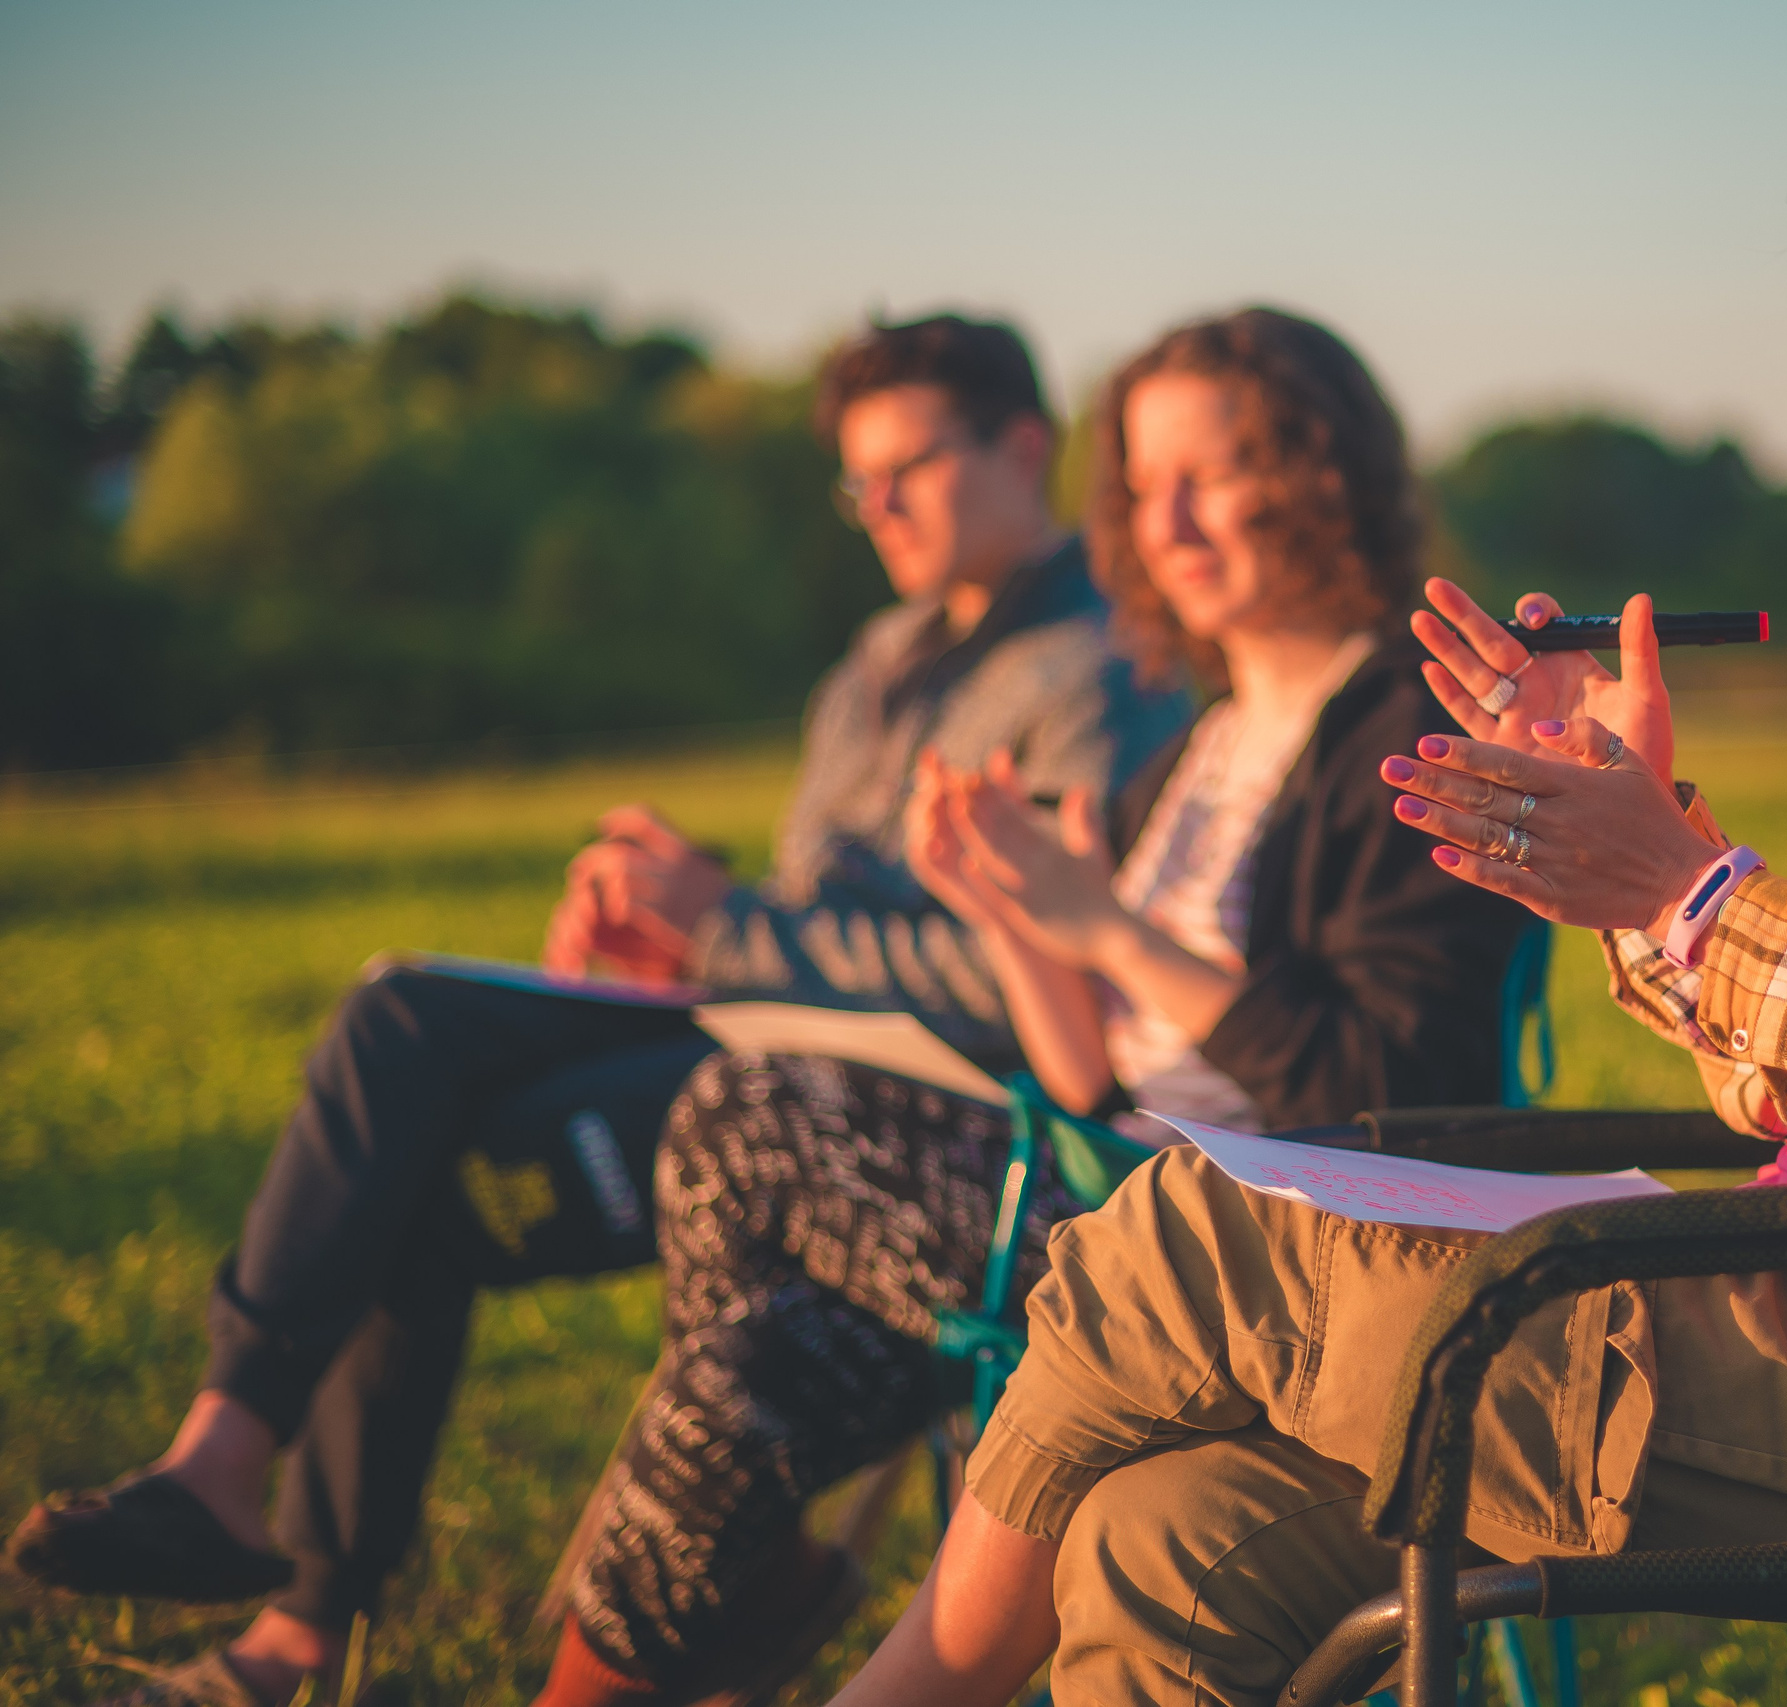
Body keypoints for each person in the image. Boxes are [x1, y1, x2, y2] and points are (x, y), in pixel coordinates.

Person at [824, 84, 1787, 1706]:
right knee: (1164, 1536)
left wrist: (1694, 890)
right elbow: (1776, 1082)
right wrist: (1642, 867)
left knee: (1181, 1237)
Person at [7, 314, 1191, 1707]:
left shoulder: (1106, 671)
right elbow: (815, 913)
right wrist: (681, 931)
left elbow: (1025, 973)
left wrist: (732, 924)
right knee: (404, 1020)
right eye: (856, 482)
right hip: (752, 1026)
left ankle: (296, 1636)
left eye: (909, 469)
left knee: (425, 1186)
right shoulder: (875, 662)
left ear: (1023, 449)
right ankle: (218, 1461)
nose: (877, 508)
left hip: (900, 1102)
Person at [524, 308, 1533, 1707]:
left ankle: (769, 1591)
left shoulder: (1413, 733)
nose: (1164, 517)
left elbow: (1379, 1076)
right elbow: (1087, 1073)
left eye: (1211, 473)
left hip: (1277, 1245)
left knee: (755, 1114)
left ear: (1318, 469)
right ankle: (731, 1576)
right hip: (1117, 1193)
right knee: (738, 1374)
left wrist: (1102, 924)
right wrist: (1014, 910)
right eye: (1138, 481)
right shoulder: (1199, 744)